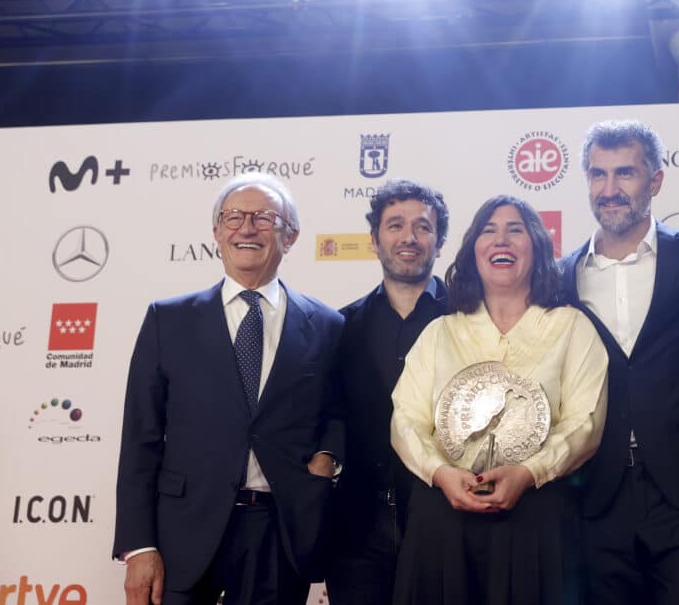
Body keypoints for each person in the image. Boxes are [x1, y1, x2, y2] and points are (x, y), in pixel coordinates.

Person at [113, 172, 345, 605]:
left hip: (279, 534)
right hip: (181, 534)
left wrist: (327, 457)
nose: (247, 227)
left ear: (290, 236)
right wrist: (139, 546)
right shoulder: (169, 320)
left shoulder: (328, 326)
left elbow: (338, 412)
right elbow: (141, 439)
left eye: (263, 217)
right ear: (217, 233)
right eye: (233, 217)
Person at [390, 195, 609, 605]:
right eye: (488, 231)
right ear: (472, 250)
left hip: (536, 516)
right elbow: (406, 420)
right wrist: (440, 473)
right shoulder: (440, 333)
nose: (500, 240)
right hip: (443, 515)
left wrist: (528, 472)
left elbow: (586, 423)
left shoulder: (572, 327)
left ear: (538, 247)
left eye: (515, 230)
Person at [558, 120, 679, 605]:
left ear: (655, 181)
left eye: (624, 174)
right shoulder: (559, 277)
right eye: (597, 174)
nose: (609, 190)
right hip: (595, 494)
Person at [325, 180, 450, 605]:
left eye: (423, 227)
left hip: (446, 520)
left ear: (440, 240)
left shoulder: (472, 323)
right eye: (395, 225)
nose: (409, 238)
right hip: (358, 529)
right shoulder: (339, 327)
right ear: (374, 240)